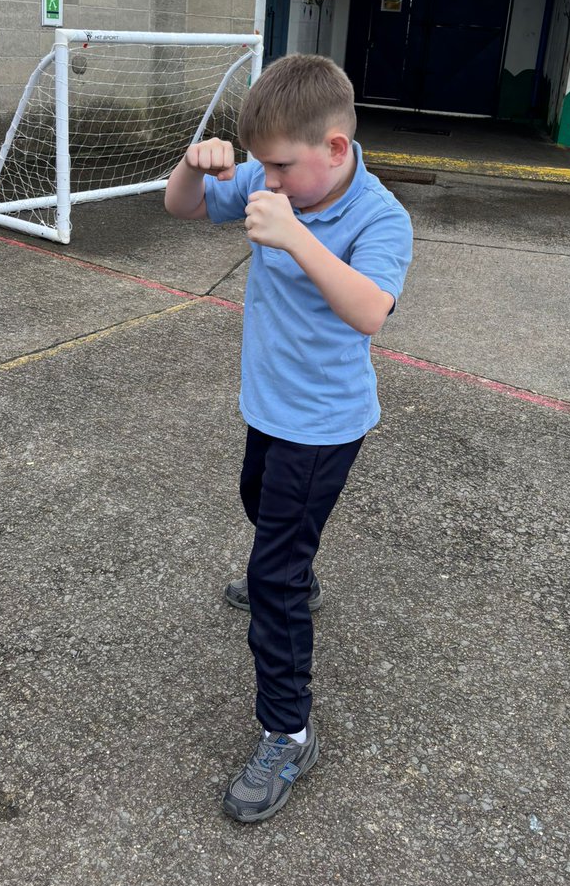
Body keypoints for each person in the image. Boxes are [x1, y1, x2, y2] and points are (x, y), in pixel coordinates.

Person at [164, 53, 412, 823]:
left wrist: (297, 237)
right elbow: (181, 207)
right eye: (260, 167)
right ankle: (295, 570)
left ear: (334, 150)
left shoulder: (379, 216)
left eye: (279, 168)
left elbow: (371, 310)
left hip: (325, 426)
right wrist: (192, 164)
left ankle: (288, 730)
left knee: (270, 576)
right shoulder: (274, 180)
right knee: (257, 504)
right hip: (267, 408)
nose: (265, 183)